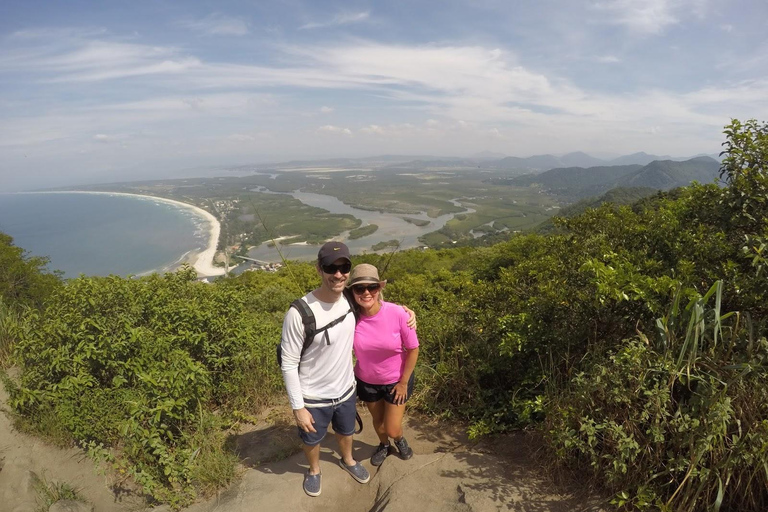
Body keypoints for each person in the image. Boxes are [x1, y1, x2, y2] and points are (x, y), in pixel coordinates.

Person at [280, 242, 415, 497]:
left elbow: (377, 307)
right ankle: (314, 470)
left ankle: (348, 460)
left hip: (346, 390)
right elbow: (288, 363)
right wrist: (298, 407)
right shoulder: (299, 313)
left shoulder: (350, 303)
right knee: (312, 438)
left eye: (344, 267)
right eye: (331, 267)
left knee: (346, 430)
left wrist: (407, 311)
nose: (338, 274)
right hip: (313, 395)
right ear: (319, 269)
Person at [347, 263, 420, 467]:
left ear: (380, 288)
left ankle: (398, 439)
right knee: (378, 424)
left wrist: (404, 382)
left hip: (397, 380)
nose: (366, 292)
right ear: (352, 292)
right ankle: (384, 445)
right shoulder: (350, 318)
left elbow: (413, 349)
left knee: (393, 428)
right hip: (367, 381)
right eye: (359, 288)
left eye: (372, 287)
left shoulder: (398, 313)